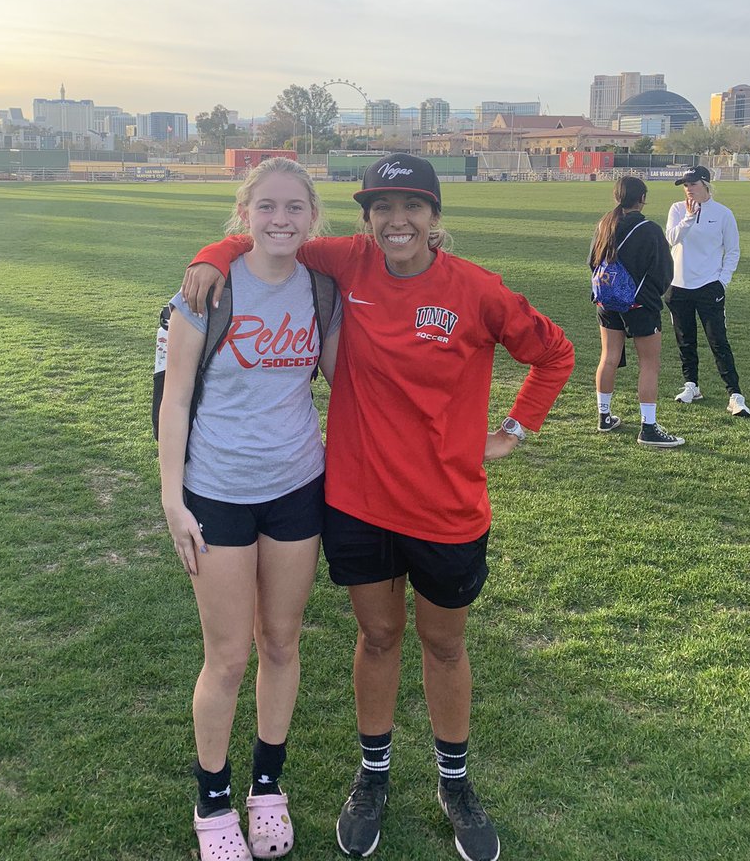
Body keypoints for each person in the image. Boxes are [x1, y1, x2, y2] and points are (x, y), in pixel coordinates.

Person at [181, 153, 574, 861]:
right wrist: (213, 251)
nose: (397, 221)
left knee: (445, 643)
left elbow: (555, 353)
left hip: (448, 506)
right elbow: (272, 231)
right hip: (358, 502)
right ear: (365, 218)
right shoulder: (349, 262)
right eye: (382, 208)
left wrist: (515, 428)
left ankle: (454, 781)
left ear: (434, 217)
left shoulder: (476, 289)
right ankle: (374, 775)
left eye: (412, 206)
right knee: (380, 637)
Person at [158, 158, 342, 861]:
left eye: (295, 207)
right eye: (266, 206)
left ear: (313, 216)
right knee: (229, 656)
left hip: (296, 488)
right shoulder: (206, 291)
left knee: (282, 642)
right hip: (218, 492)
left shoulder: (321, 290)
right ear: (244, 213)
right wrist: (172, 499)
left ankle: (268, 788)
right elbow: (175, 401)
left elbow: (345, 377)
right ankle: (213, 801)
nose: (281, 220)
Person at [589, 175, 684, 447]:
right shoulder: (650, 229)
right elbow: (665, 271)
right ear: (641, 198)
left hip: (606, 303)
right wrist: (649, 293)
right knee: (649, 364)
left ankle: (604, 417)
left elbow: (592, 263)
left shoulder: (604, 225)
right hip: (641, 305)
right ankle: (648, 427)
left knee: (608, 357)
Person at [664, 165, 750, 417]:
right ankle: (691, 385)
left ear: (705, 185)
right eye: (685, 185)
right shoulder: (677, 209)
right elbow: (671, 238)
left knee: (718, 341)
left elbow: (732, 250)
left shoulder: (723, 214)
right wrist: (689, 217)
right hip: (678, 286)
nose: (688, 189)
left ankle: (735, 394)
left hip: (709, 287)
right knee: (685, 340)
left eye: (692, 184)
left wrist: (721, 281)